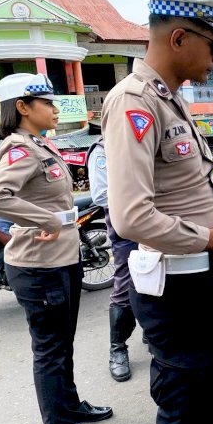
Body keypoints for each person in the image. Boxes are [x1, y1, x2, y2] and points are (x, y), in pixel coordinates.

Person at [101, 0, 213, 424]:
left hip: (201, 280)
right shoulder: (135, 102)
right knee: (187, 410)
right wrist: (211, 235)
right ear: (178, 39)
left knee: (212, 399)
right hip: (177, 289)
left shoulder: (169, 98)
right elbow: (131, 216)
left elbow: (182, 181)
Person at [0, 73, 112, 424]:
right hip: (38, 266)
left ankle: (69, 407)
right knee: (50, 352)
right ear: (23, 108)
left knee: (62, 345)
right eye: (47, 103)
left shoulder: (41, 144)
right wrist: (46, 220)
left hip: (62, 259)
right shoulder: (19, 150)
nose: (56, 110)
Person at [87, 138, 139, 382]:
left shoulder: (142, 141)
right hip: (127, 228)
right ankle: (117, 348)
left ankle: (154, 336)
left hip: (162, 226)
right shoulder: (102, 149)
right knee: (125, 287)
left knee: (163, 280)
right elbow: (101, 195)